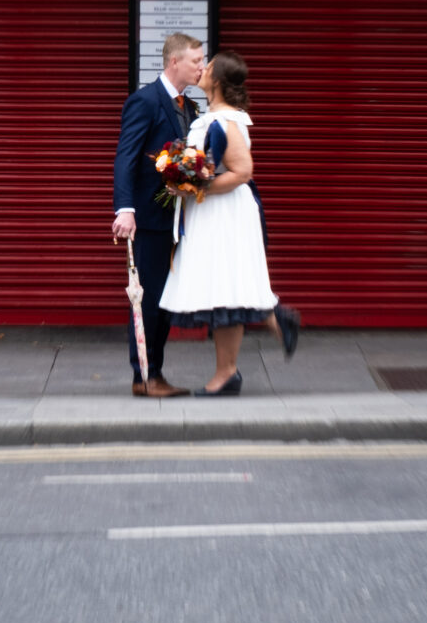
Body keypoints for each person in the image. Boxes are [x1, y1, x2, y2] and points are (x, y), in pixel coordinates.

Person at [159, 50, 299, 396]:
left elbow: (243, 172)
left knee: (225, 289)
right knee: (223, 289)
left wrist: (195, 187)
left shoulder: (225, 121)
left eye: (207, 67)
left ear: (217, 80)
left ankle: (228, 373)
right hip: (215, 213)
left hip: (224, 215)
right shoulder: (216, 117)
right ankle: (260, 333)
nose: (202, 69)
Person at [112, 32, 205, 397]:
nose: (201, 66)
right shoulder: (144, 101)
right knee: (148, 299)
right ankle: (144, 376)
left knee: (166, 300)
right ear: (174, 63)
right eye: (196, 61)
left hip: (178, 221)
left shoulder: (191, 107)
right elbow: (127, 156)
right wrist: (125, 209)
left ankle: (156, 373)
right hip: (149, 219)